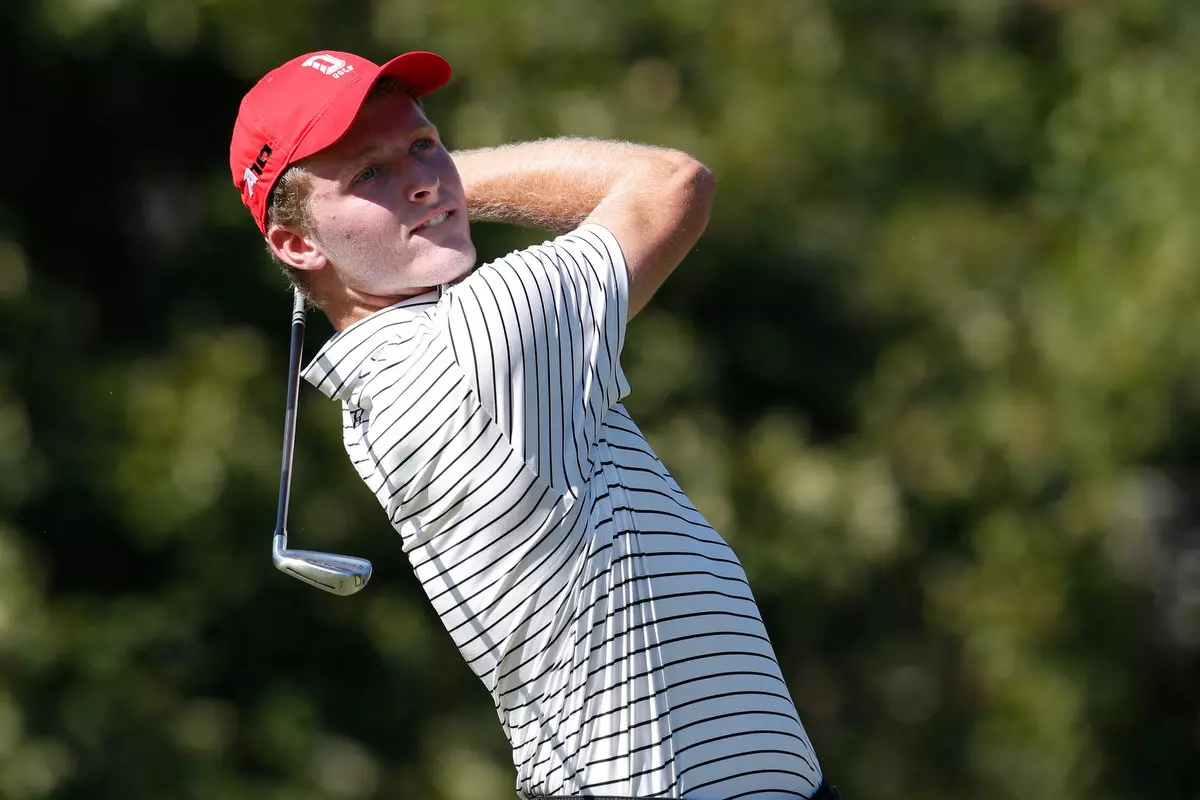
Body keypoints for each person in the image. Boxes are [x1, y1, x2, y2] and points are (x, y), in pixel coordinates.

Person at [229, 49, 837, 800]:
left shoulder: (389, 374)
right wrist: (448, 183)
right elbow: (671, 184)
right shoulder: (475, 341)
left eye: (423, 142)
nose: (422, 176)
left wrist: (414, 186)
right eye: (367, 175)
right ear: (297, 244)